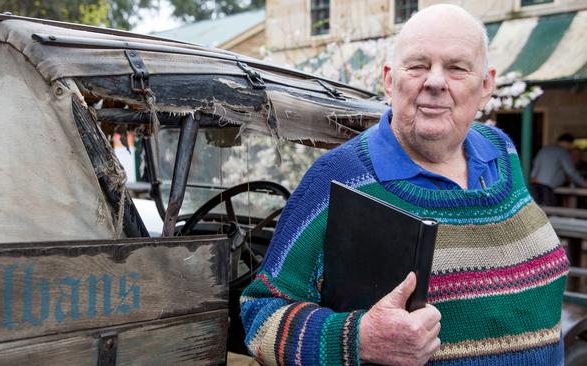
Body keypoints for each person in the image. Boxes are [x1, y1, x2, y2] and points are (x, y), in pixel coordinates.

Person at [240, 4, 568, 366]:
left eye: (457, 67)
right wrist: (358, 339)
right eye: (418, 65)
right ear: (389, 80)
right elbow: (261, 317)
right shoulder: (338, 178)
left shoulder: (501, 153)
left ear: (487, 84)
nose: (436, 82)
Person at [530, 133, 587, 206]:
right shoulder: (563, 152)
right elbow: (570, 171)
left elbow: (535, 165)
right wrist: (583, 183)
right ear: (568, 143)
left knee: (537, 208)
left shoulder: (544, 149)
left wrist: (533, 177)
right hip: (548, 186)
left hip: (535, 184)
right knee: (550, 211)